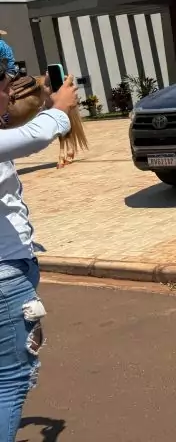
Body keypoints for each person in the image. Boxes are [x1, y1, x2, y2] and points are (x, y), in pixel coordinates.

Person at [0, 73, 78, 440]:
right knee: (10, 379)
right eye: (4, 87)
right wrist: (60, 108)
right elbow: (36, 135)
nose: (9, 95)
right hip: (5, 277)